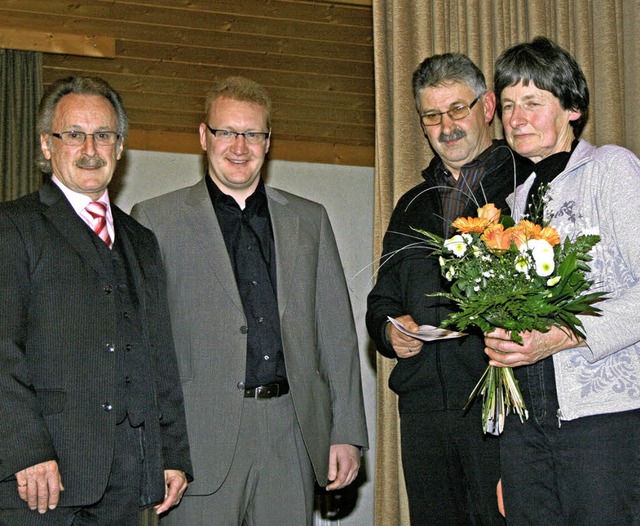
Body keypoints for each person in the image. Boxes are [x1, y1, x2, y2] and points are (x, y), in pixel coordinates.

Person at [131, 76, 368, 525]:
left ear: (268, 141)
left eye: (252, 134)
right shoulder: (154, 220)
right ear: (204, 136)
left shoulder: (309, 220)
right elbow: (145, 349)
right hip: (198, 443)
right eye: (226, 132)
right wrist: (157, 447)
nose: (239, 146)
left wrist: (347, 432)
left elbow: (337, 335)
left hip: (291, 434)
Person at [0, 76, 192, 525]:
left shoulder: (141, 241)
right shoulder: (12, 227)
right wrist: (27, 451)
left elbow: (159, 354)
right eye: (74, 135)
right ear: (47, 145)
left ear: (120, 148)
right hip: (42, 480)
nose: (91, 149)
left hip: (127, 480)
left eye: (103, 135)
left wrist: (172, 453)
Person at [366, 53, 531, 525]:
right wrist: (389, 330)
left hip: (502, 407)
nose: (447, 126)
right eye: (433, 116)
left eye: (458, 109)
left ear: (488, 107)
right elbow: (382, 299)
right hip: (423, 414)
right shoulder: (410, 205)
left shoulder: (527, 183)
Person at [484, 36, 640, 525]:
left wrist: (564, 335)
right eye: (508, 105)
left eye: (533, 102)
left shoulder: (611, 170)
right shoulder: (511, 202)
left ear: (572, 108)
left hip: (604, 423)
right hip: (527, 426)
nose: (516, 117)